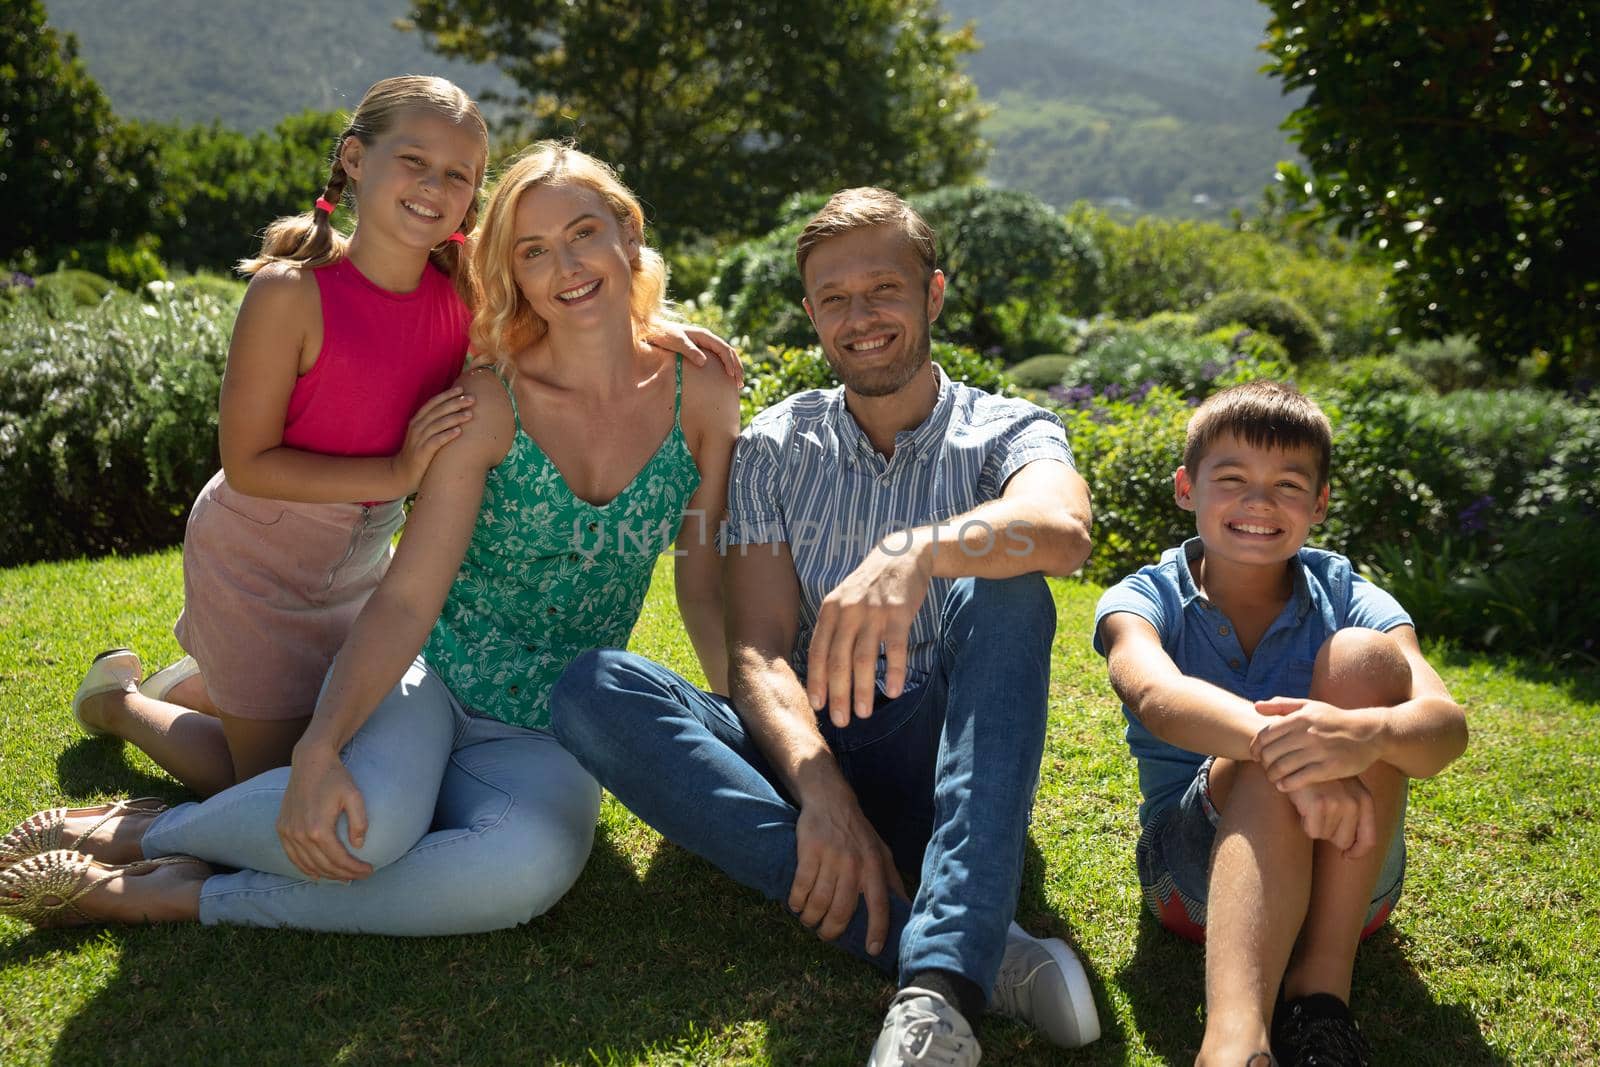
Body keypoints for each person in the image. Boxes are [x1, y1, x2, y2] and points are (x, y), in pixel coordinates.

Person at [0, 143, 740, 936]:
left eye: (584, 232)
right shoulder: (491, 401)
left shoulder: (703, 388)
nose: (565, 265)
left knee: (521, 873)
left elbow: (703, 583)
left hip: (555, 728)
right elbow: (410, 594)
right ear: (514, 274)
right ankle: (148, 831)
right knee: (369, 829)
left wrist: (742, 740)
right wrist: (322, 745)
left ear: (627, 233)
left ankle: (185, 891)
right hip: (433, 687)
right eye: (533, 250)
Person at [550, 187, 1102, 1064]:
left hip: (938, 752)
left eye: (883, 288)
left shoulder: (1009, 430)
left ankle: (937, 990)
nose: (861, 317)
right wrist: (823, 795)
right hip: (806, 746)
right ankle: (971, 949)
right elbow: (760, 648)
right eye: (835, 300)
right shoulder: (774, 446)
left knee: (1010, 589)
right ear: (811, 315)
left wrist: (918, 551)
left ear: (934, 292)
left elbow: (1064, 532)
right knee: (593, 689)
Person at [68, 77, 736, 798]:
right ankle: (122, 704)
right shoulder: (289, 292)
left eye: (459, 176)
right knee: (262, 783)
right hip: (259, 551)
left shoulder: (460, 281)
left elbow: (572, 276)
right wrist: (394, 472)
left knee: (338, 724)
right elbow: (247, 463)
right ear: (354, 159)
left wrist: (651, 327)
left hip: (365, 555)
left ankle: (209, 687)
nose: (433, 187)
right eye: (413, 161)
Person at [1092, 381, 1468, 1067]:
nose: (1259, 503)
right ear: (1186, 487)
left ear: (1319, 503)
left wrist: (1369, 734)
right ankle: (1234, 1042)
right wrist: (1291, 752)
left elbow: (1445, 728)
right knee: (1273, 751)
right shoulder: (1144, 596)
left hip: (1350, 887)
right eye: (1231, 479)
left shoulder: (1349, 592)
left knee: (1365, 661)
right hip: (1192, 883)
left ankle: (1322, 996)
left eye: (1288, 485)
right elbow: (1153, 693)